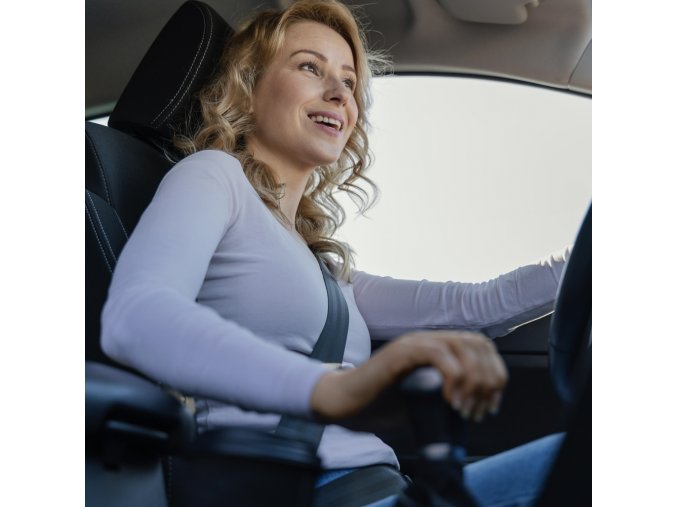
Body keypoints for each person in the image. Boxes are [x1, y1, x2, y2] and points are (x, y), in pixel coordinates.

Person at [101, 1, 570, 505]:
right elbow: (137, 316)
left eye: (349, 82)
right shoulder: (214, 177)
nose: (338, 93)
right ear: (249, 86)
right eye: (309, 67)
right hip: (298, 489)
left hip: (383, 487)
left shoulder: (321, 265)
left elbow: (477, 307)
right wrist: (332, 390)